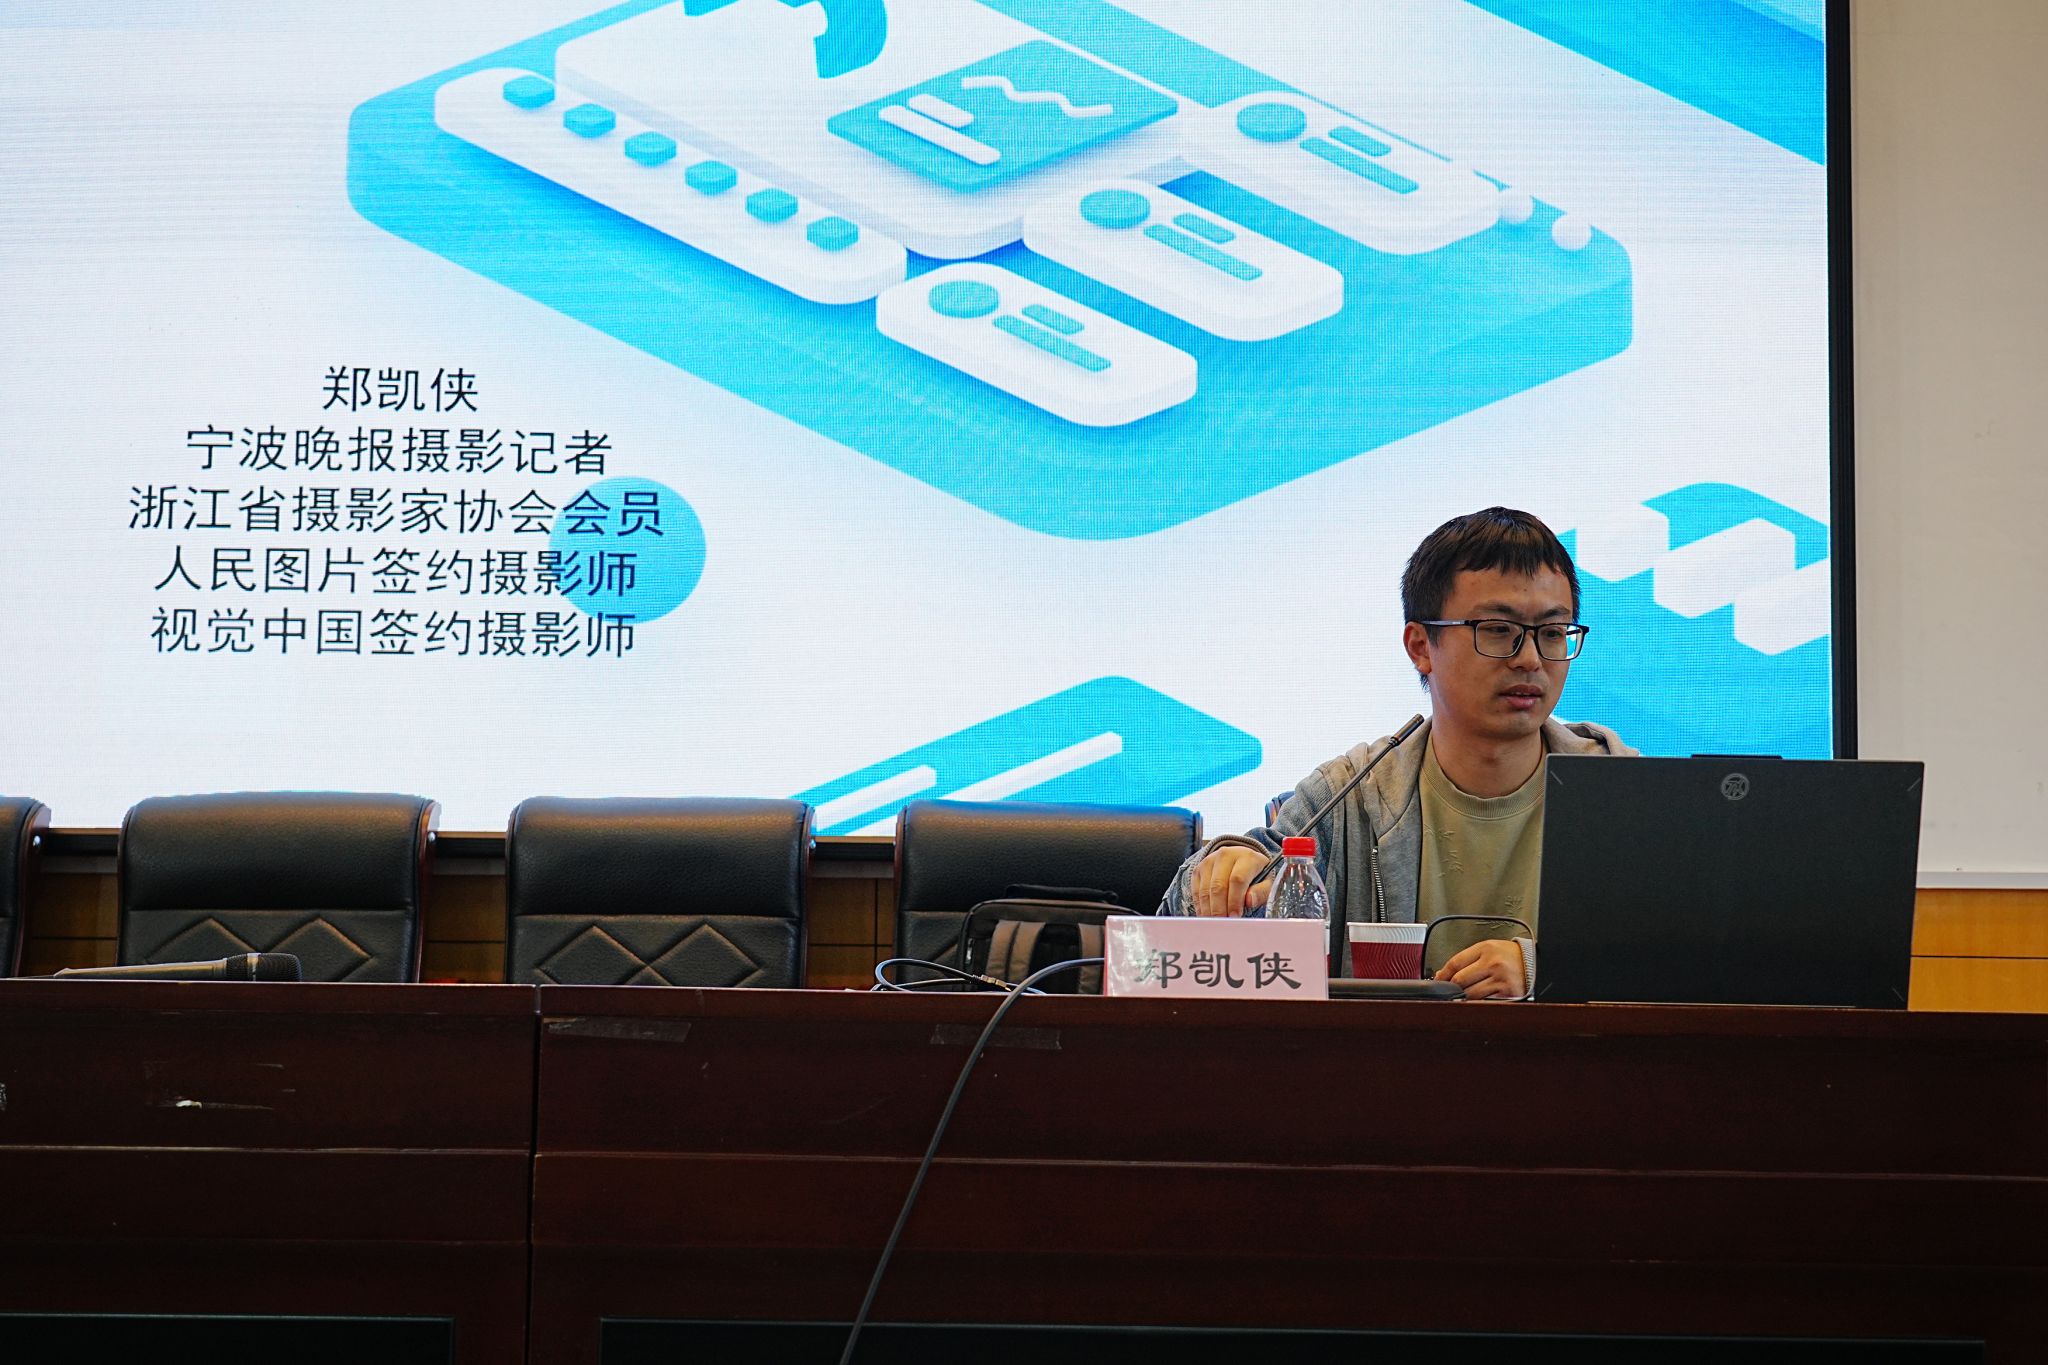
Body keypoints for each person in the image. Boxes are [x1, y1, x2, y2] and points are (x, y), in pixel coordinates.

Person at [1163, 507, 1636, 998]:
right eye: (1498, 629)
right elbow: (1179, 934)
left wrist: (1546, 968)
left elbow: (1681, 958)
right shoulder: (1349, 795)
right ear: (1420, 646)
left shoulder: (1627, 794)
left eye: (1553, 632)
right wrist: (1221, 875)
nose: (1530, 658)